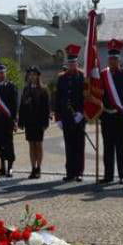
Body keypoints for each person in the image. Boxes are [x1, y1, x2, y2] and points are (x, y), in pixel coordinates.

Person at [99, 39, 123, 184]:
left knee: (121, 147)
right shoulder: (103, 75)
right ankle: (108, 175)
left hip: (120, 116)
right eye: (110, 58)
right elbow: (99, 95)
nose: (112, 61)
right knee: (107, 147)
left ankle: (122, 175)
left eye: (115, 58)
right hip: (106, 115)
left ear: (119, 59)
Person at [54, 45, 86, 182]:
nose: (71, 64)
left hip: (79, 117)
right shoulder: (62, 78)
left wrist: (82, 113)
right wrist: (58, 118)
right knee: (69, 145)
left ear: (77, 63)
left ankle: (79, 172)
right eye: (69, 62)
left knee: (79, 145)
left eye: (73, 62)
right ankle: (70, 172)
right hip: (66, 117)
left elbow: (86, 97)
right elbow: (58, 98)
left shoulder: (82, 77)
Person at [18, 66, 50, 179]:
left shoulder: (43, 89)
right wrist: (21, 121)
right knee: (31, 145)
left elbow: (46, 108)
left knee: (38, 145)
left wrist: (45, 123)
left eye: (34, 74)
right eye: (30, 75)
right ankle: (33, 168)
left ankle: (39, 168)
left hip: (39, 122)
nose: (32, 77)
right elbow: (22, 106)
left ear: (38, 76)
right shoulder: (26, 89)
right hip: (29, 122)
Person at [0, 62, 18, 177]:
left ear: (5, 73)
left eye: (2, 73)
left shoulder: (11, 86)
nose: (1, 75)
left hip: (8, 121)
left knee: (9, 144)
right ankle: (1, 167)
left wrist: (14, 120)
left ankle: (10, 167)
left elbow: (14, 105)